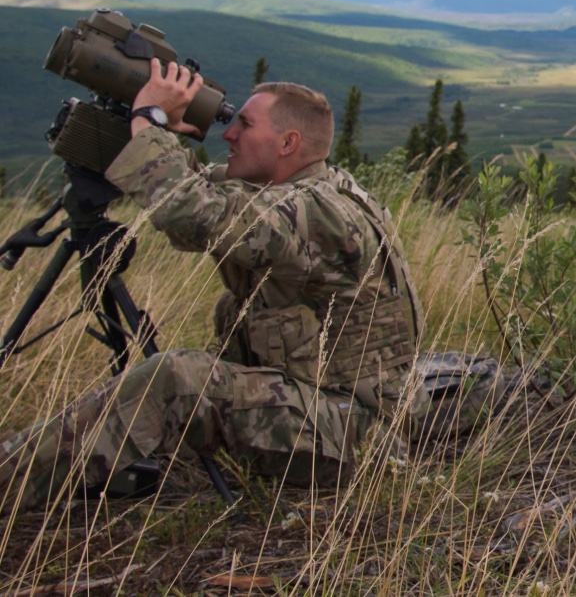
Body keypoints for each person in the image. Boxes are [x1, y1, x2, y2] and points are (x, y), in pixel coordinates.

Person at [0, 63, 424, 511]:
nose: (229, 135)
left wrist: (152, 120)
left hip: (358, 435)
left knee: (175, 379)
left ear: (288, 143)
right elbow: (200, 196)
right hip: (328, 412)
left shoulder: (317, 212)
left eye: (245, 124)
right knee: (218, 327)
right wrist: (155, 132)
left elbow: (194, 213)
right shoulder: (304, 188)